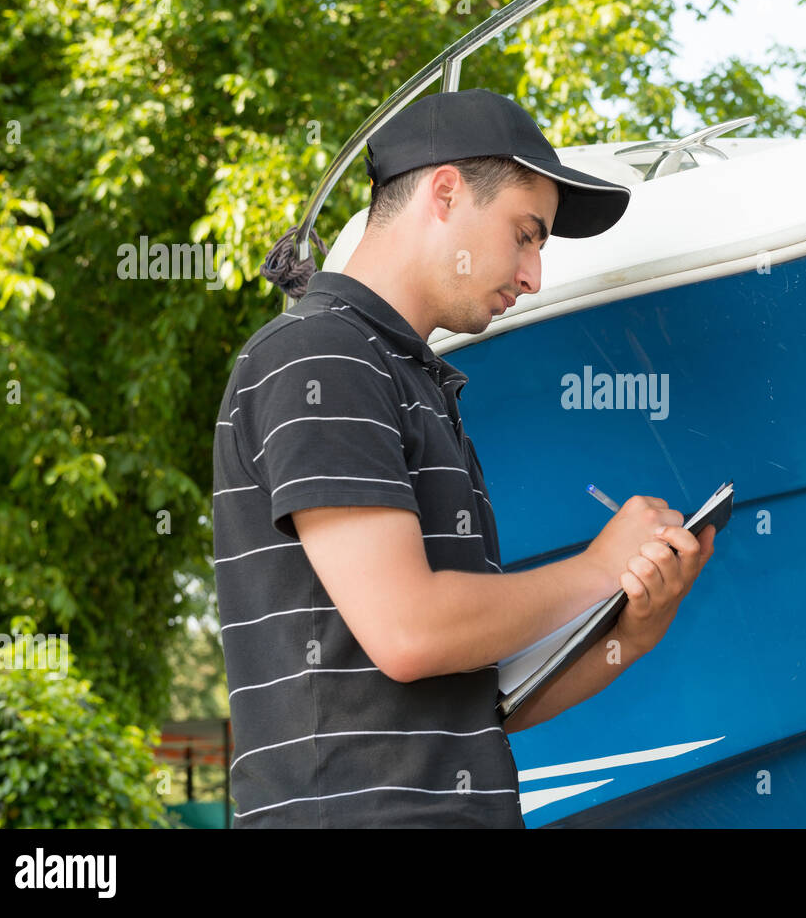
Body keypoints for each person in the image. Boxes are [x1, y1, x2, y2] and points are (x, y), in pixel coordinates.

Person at [212, 88, 717, 828]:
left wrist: (630, 632)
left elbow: (483, 703)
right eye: (526, 233)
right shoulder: (319, 353)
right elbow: (410, 631)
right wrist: (598, 567)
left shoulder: (413, 384)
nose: (533, 274)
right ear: (444, 192)